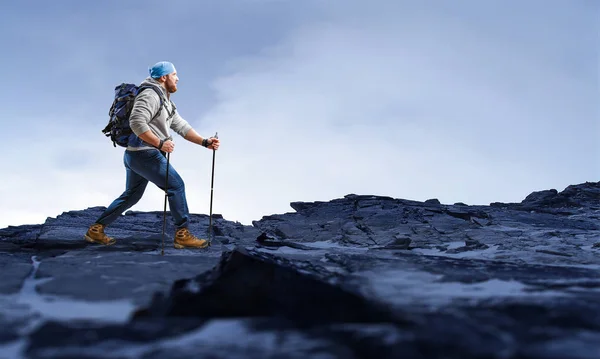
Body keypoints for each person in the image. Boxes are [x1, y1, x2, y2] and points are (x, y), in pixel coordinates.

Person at [84, 61, 220, 249]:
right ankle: (182, 234)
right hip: (146, 155)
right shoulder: (150, 94)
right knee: (176, 186)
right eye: (174, 75)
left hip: (135, 156)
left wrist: (204, 142)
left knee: (132, 195)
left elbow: (181, 126)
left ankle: (96, 229)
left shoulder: (164, 100)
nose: (177, 78)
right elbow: (137, 122)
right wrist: (160, 143)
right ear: (164, 77)